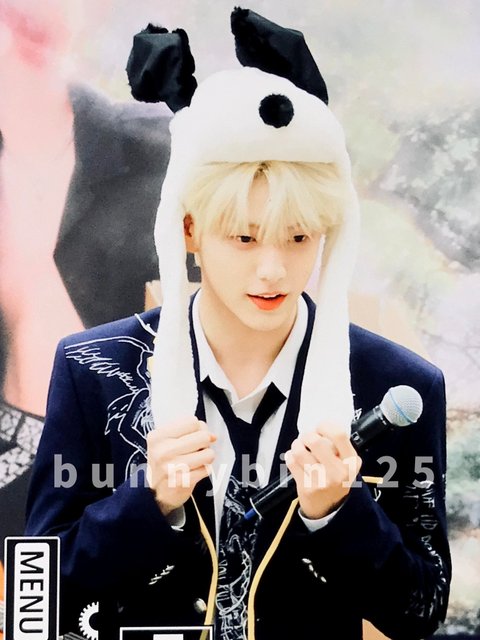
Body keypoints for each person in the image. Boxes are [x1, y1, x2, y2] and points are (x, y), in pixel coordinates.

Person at [25, 9, 450, 640]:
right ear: (189, 230)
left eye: (299, 237)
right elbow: (33, 599)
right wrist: (147, 503)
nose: (273, 269)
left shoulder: (397, 388)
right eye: (244, 238)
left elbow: (420, 613)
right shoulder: (93, 369)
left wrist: (340, 513)